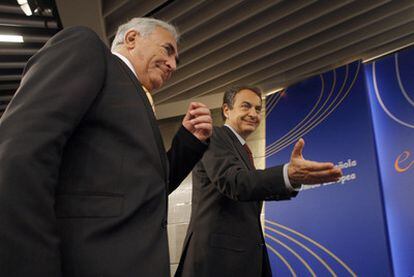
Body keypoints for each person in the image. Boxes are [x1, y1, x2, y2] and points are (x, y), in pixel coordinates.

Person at [0, 18, 212, 277]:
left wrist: (189, 142)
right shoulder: (88, 49)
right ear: (132, 39)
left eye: (177, 59)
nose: (173, 64)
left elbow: (145, 192)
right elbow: (19, 154)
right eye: (167, 50)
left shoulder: (140, 100)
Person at [175, 86, 342, 277]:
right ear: (226, 110)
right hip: (216, 261)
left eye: (257, 109)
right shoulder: (214, 135)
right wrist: (287, 174)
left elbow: (249, 191)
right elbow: (235, 183)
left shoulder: (242, 150)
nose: (253, 114)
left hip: (241, 260)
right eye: (246, 106)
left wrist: (292, 181)